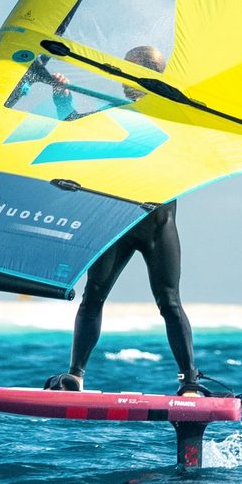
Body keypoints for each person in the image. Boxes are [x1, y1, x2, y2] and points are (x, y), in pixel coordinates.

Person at [44, 45, 202, 396]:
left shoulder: (175, 114)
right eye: (125, 71)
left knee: (169, 302)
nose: (126, 78)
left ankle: (190, 382)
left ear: (155, 75)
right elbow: (73, 126)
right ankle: (75, 376)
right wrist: (61, 96)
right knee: (93, 296)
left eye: (136, 70)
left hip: (157, 224)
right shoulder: (113, 112)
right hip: (115, 222)